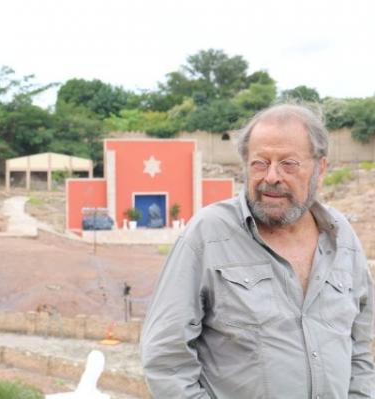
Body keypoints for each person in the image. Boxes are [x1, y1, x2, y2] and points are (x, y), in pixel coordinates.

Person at [141, 104, 375, 398]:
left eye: (288, 164)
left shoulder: (342, 237)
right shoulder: (208, 235)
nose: (272, 177)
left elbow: (359, 349)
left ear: (320, 169)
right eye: (259, 163)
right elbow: (166, 358)